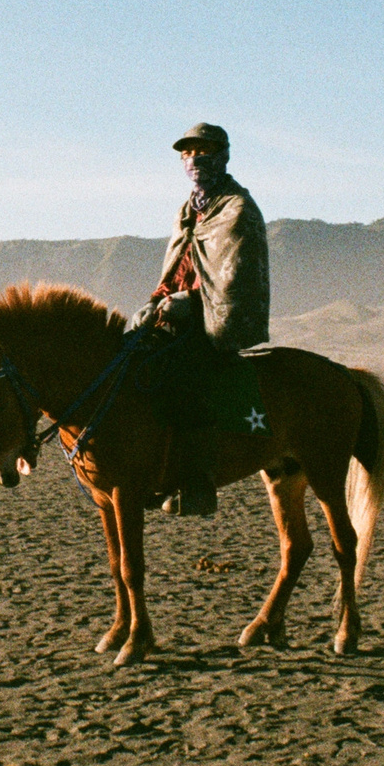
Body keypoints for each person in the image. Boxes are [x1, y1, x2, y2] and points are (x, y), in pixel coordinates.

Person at [138, 122, 269, 517]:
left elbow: (232, 280)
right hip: (174, 313)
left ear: (223, 155)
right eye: (186, 153)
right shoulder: (188, 210)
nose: (194, 159)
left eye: (203, 151)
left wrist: (190, 304)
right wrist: (157, 298)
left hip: (210, 322)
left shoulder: (237, 208)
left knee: (186, 380)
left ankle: (197, 484)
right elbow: (179, 265)